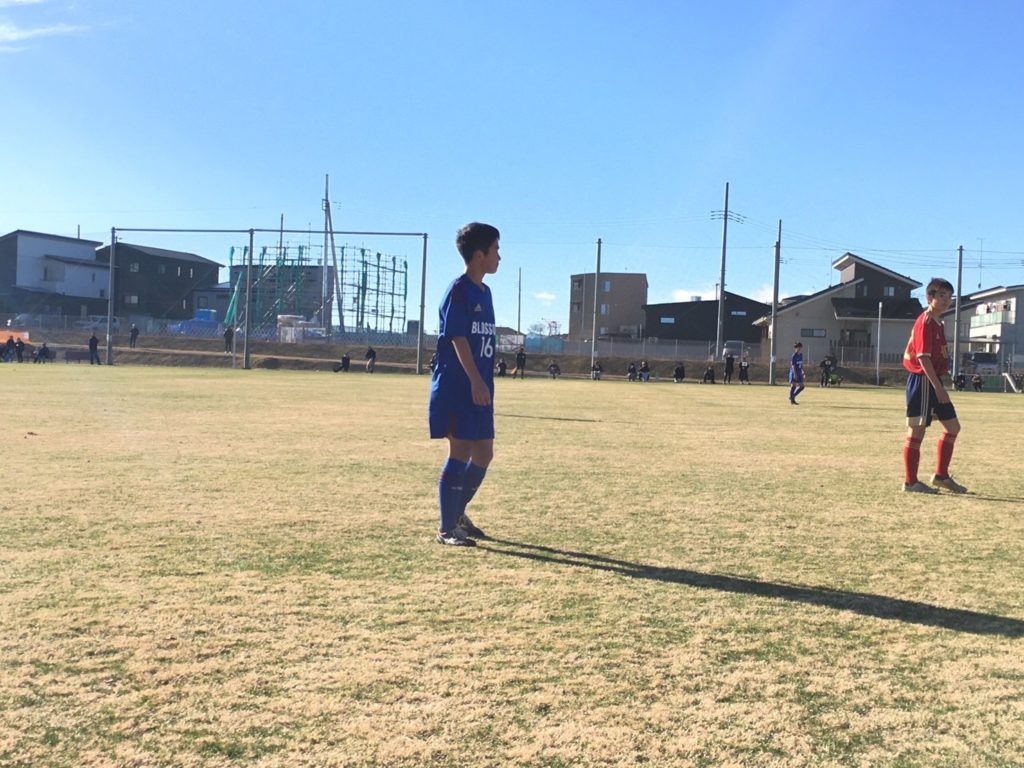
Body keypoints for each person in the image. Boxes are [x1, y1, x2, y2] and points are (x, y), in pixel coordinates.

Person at [428, 222, 501, 546]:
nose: (499, 256)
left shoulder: (486, 293)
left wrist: (483, 381)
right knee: (460, 450)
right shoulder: (459, 290)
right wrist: (474, 380)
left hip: (480, 385)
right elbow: (457, 339)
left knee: (484, 453)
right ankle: (446, 529)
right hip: (458, 386)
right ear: (479, 254)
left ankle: (457, 513)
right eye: (495, 249)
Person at [901, 277, 966, 494]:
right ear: (930, 297)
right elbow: (923, 358)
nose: (946, 300)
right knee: (916, 431)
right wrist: (938, 387)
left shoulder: (939, 322)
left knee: (953, 428)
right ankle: (910, 482)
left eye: (949, 296)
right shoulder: (926, 321)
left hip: (935, 380)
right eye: (942, 295)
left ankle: (941, 476)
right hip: (923, 381)